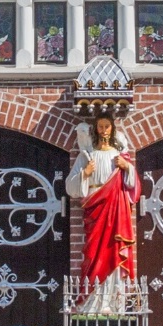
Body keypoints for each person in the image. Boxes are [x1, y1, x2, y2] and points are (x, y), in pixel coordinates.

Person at [66, 113, 141, 312]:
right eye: (100, 126)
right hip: (94, 207)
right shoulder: (87, 156)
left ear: (112, 129)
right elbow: (70, 187)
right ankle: (92, 303)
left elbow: (134, 185)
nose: (104, 130)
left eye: (107, 126)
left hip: (115, 210)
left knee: (113, 252)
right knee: (93, 253)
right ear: (95, 129)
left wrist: (127, 168)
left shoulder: (118, 155)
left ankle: (113, 303)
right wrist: (85, 173)